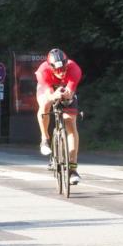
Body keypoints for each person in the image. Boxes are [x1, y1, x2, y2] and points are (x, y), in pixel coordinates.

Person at [36, 48, 82, 185]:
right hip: (48, 89)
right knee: (45, 105)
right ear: (51, 67)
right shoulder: (42, 71)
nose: (61, 72)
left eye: (63, 68)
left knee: (70, 124)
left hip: (65, 90)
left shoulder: (74, 68)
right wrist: (53, 96)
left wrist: (67, 94)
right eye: (57, 69)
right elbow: (48, 93)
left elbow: (71, 91)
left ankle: (72, 169)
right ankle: (45, 138)